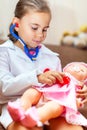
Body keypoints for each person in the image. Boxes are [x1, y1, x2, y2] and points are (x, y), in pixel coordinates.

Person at [0, 0, 84, 130]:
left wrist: (78, 91)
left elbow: (60, 90)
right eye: (34, 28)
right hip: (17, 106)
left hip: (49, 108)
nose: (40, 35)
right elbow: (4, 88)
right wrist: (37, 77)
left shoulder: (52, 57)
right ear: (16, 24)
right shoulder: (4, 52)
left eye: (45, 29)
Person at [7, 62, 87, 128]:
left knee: (52, 108)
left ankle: (35, 117)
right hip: (43, 92)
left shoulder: (78, 87)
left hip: (59, 102)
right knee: (31, 93)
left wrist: (77, 102)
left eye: (82, 70)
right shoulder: (57, 74)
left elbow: (77, 99)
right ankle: (21, 108)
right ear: (65, 68)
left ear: (83, 81)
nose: (77, 68)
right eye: (73, 65)